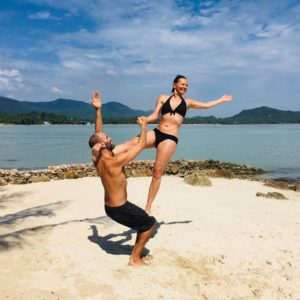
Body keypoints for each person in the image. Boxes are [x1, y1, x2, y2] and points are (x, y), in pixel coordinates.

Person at [112, 75, 233, 214]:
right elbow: (154, 116)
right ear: (174, 84)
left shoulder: (188, 103)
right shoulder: (163, 98)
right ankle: (106, 155)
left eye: (187, 85)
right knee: (130, 143)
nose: (185, 87)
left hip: (169, 138)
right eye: (182, 84)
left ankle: (148, 206)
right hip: (157, 131)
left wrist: (222, 100)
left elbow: (206, 106)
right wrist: (145, 119)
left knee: (157, 173)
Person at [89, 90, 156, 266]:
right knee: (149, 224)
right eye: (108, 138)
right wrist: (144, 125)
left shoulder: (98, 160)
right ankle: (135, 258)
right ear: (103, 145)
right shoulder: (115, 161)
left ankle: (137, 255)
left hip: (109, 207)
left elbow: (98, 134)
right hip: (120, 208)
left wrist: (98, 110)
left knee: (142, 223)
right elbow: (141, 144)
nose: (110, 137)